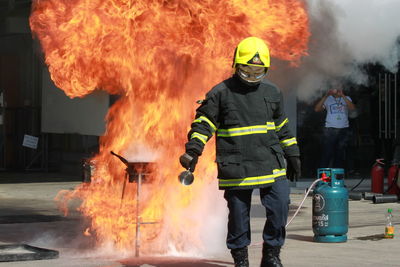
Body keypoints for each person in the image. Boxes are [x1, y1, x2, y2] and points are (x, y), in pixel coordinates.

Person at [179, 37, 301, 267]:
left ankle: (272, 255)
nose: (253, 74)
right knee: (238, 214)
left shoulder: (272, 92)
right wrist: (194, 151)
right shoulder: (220, 93)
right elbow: (203, 123)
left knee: (280, 206)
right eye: (247, 69)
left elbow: (282, 127)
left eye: (258, 70)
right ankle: (241, 260)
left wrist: (293, 154)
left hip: (270, 160)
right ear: (236, 64)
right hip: (236, 162)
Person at [314, 84, 356, 169]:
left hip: (343, 129)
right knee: (327, 152)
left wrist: (342, 95)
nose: (336, 89)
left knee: (340, 153)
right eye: (334, 88)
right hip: (330, 129)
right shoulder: (328, 99)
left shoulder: (347, 98)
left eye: (339, 87)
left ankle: (337, 176)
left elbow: (352, 108)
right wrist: (326, 96)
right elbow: (317, 109)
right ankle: (323, 175)